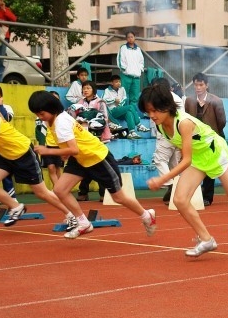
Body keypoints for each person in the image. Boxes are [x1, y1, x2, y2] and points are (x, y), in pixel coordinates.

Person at [138, 81, 228, 257]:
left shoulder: (184, 123)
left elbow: (186, 160)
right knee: (180, 200)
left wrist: (162, 179)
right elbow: (183, 150)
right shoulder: (160, 126)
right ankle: (206, 239)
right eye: (148, 111)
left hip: (216, 153)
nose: (151, 115)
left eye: (155, 110)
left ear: (166, 106)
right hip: (198, 159)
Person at [29, 90, 157, 239]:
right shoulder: (52, 120)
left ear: (52, 108)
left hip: (97, 158)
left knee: (118, 197)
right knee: (60, 190)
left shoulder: (61, 122)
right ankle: (83, 222)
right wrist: (64, 153)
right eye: (37, 114)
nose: (40, 117)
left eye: (41, 113)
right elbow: (72, 145)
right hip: (80, 159)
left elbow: (74, 149)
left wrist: (47, 151)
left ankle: (146, 215)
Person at [0, 92, 75, 228]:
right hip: (4, 154)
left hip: (22, 152)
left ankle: (71, 215)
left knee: (41, 193)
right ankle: (16, 207)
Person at [184, 72, 226, 206]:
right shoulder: (189, 100)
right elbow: (186, 118)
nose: (198, 87)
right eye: (196, 85)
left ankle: (207, 197)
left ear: (206, 85)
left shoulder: (216, 101)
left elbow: (222, 121)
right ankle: (194, 195)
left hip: (212, 138)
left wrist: (212, 134)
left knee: (209, 167)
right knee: (195, 166)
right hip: (196, 139)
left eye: (201, 85)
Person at [70, 81, 112, 202]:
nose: (85, 90)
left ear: (93, 89)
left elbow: (105, 118)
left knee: (99, 165)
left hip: (98, 137)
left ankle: (103, 193)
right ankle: (83, 192)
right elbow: (73, 117)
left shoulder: (100, 102)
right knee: (85, 164)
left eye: (88, 88)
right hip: (83, 138)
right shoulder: (79, 103)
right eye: (84, 88)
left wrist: (90, 121)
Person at [103, 75, 148, 139]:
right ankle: (139, 125)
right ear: (112, 83)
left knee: (128, 113)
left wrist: (120, 104)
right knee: (130, 107)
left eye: (119, 82)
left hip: (120, 109)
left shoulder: (122, 89)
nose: (118, 83)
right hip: (112, 111)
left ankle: (132, 132)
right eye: (116, 82)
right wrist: (114, 100)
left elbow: (125, 98)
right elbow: (103, 100)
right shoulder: (107, 90)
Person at [35, 91, 64, 188]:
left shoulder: (62, 116)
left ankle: (59, 188)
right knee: (51, 168)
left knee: (57, 168)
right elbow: (39, 131)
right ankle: (57, 188)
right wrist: (42, 144)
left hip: (59, 146)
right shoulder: (41, 116)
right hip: (47, 146)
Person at [117, 31, 144, 107]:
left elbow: (141, 61)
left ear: (134, 38)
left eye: (132, 37)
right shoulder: (123, 48)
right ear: (126, 39)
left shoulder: (138, 49)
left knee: (135, 97)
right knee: (123, 96)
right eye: (128, 37)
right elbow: (120, 59)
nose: (130, 38)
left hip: (136, 77)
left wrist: (140, 69)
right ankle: (123, 111)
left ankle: (132, 112)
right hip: (126, 76)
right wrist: (124, 69)